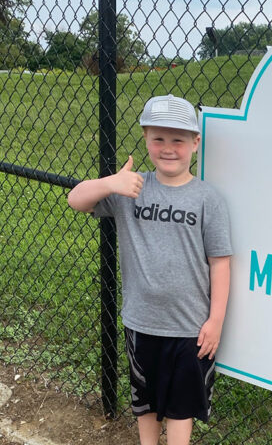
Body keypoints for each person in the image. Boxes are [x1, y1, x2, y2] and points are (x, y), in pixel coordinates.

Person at [67, 95, 232, 445]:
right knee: (145, 404)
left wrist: (215, 320)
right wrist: (110, 183)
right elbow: (76, 199)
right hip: (141, 322)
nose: (168, 148)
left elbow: (220, 262)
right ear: (145, 138)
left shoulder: (207, 199)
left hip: (190, 326)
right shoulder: (131, 188)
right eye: (159, 138)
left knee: (179, 407)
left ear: (195, 143)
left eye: (179, 140)